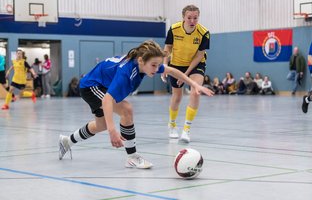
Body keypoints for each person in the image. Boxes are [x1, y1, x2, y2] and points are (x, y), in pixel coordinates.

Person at [58, 40, 213, 169]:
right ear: (141, 61)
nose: (156, 69)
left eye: (157, 65)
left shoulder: (145, 62)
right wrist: (113, 131)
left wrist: (195, 85)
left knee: (101, 125)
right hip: (92, 87)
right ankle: (132, 157)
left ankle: (67, 141)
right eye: (153, 65)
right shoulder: (126, 73)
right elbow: (107, 99)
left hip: (102, 84)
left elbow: (172, 71)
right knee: (126, 110)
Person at [161, 4, 210, 143]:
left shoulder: (204, 33)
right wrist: (165, 65)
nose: (192, 21)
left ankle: (186, 129)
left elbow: (200, 55)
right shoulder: (174, 29)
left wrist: (186, 75)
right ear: (183, 17)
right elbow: (168, 48)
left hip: (195, 64)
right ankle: (172, 124)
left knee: (195, 91)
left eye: (195, 18)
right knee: (177, 97)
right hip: (176, 64)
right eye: (189, 18)